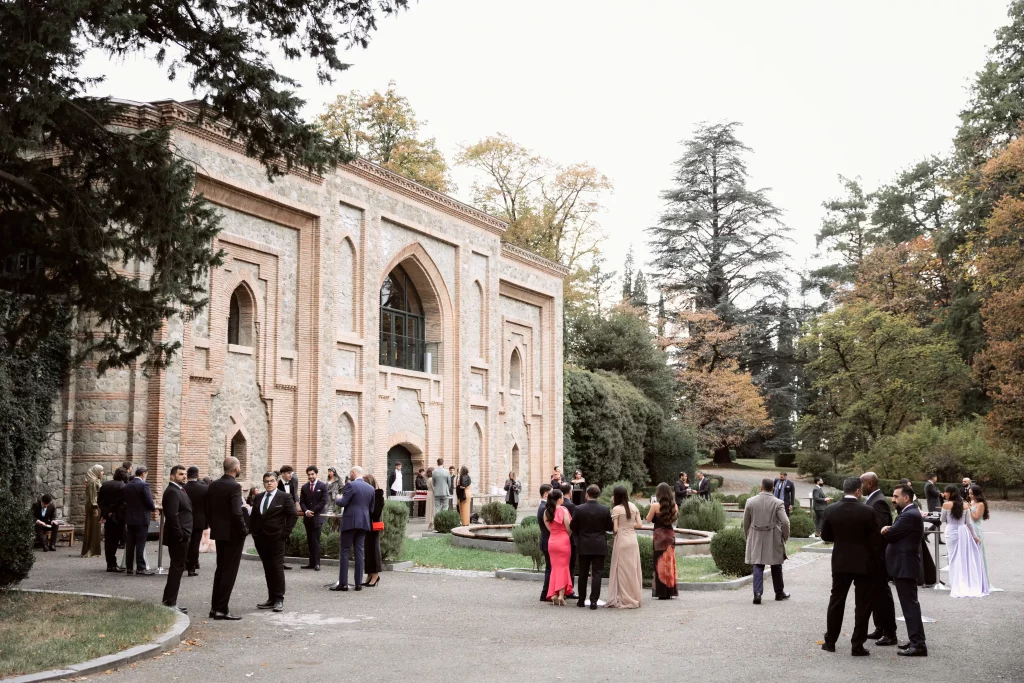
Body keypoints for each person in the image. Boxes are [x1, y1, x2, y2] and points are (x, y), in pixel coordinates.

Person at [819, 477, 881, 656]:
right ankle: (857, 644)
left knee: (836, 601)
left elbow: (825, 536)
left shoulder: (831, 509)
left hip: (840, 561)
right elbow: (875, 539)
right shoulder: (868, 511)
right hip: (864, 562)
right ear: (858, 491)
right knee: (862, 604)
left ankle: (830, 641)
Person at [880, 484, 927, 657]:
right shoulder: (908, 513)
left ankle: (918, 644)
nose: (893, 499)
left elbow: (892, 535)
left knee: (909, 606)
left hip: (905, 566)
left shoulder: (909, 515)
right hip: (903, 565)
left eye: (895, 496)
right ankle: (915, 639)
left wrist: (885, 530)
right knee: (909, 605)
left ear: (906, 497)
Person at [246, 470, 296, 612]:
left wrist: (284, 533)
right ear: (263, 483)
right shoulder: (259, 497)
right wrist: (254, 533)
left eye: (272, 481)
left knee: (277, 567)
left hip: (277, 539)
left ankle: (279, 599)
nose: (269, 483)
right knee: (268, 569)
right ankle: (271, 598)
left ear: (276, 481)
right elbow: (255, 516)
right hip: (261, 539)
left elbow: (293, 516)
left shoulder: (285, 497)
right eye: (266, 481)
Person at [206, 456, 248, 620]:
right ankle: (221, 609)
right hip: (233, 534)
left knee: (221, 569)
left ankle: (214, 607)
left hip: (219, 533)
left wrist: (214, 525)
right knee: (229, 572)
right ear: (236, 468)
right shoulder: (235, 486)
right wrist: (244, 529)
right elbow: (237, 512)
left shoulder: (213, 485)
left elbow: (207, 509)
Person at [860, 472, 897, 646]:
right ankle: (880, 627)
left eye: (862, 483)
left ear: (870, 484)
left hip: (878, 558)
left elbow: (880, 532)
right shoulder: (872, 499)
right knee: (875, 594)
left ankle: (890, 632)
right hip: (872, 557)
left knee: (882, 595)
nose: (860, 487)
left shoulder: (879, 501)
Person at [743, 477, 791, 605]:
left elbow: (746, 522)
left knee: (758, 564)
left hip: (756, 535)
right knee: (776, 564)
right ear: (773, 489)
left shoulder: (750, 501)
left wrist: (748, 536)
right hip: (773, 536)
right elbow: (785, 522)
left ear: (761, 487)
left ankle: (757, 594)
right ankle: (779, 593)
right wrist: (785, 536)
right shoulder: (778, 502)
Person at [330, 466, 375, 592]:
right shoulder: (370, 488)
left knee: (344, 551)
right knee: (359, 552)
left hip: (350, 522)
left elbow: (343, 502)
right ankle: (358, 584)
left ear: (354, 473)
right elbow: (371, 509)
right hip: (364, 523)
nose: (350, 475)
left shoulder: (351, 485)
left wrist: (337, 499)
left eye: (350, 473)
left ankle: (343, 583)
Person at [942, 485, 989, 598]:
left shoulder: (946, 505)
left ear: (951, 493)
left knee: (953, 558)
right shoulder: (965, 505)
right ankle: (964, 582)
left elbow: (942, 520)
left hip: (951, 532)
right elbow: (968, 523)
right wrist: (974, 536)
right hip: (963, 531)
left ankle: (955, 583)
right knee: (962, 558)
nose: (944, 494)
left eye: (946, 492)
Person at [570, 484, 612, 609]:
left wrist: (580, 534)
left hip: (584, 544)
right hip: (599, 544)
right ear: (598, 495)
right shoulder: (605, 509)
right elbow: (609, 527)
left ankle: (581, 600)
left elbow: (573, 526)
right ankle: (594, 601)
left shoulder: (579, 509)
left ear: (587, 494)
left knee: (582, 573)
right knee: (597, 573)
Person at [161, 465, 193, 615]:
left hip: (182, 535)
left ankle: (169, 600)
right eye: (181, 474)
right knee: (176, 568)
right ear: (172, 476)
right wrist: (180, 534)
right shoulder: (172, 492)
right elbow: (172, 516)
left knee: (178, 568)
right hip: (178, 537)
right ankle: (170, 602)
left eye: (185, 474)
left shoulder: (179, 490)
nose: (184, 476)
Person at [605, 485, 642, 609]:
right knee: (632, 569)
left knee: (621, 570)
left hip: (622, 540)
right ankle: (634, 596)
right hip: (633, 540)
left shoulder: (616, 509)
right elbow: (640, 524)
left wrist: (622, 528)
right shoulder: (633, 506)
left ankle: (623, 597)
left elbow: (615, 529)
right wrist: (630, 526)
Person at [646, 482, 679, 600]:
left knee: (658, 562)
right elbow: (673, 520)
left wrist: (651, 505)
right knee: (669, 562)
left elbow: (648, 519)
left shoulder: (655, 506)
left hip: (659, 536)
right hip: (670, 535)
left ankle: (661, 592)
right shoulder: (675, 506)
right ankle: (670, 590)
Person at [122, 466, 156, 575]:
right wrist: (153, 507)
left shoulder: (127, 486)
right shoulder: (143, 485)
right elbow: (149, 502)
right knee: (140, 544)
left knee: (130, 544)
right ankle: (141, 568)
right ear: (144, 474)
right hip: (142, 518)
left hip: (130, 518)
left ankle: (129, 568)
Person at [544, 489, 574, 605]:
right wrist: (566, 535)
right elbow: (568, 527)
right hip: (563, 541)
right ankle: (561, 595)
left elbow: (549, 528)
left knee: (554, 568)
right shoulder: (563, 510)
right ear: (558, 499)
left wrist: (555, 533)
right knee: (563, 567)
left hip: (552, 541)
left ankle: (554, 594)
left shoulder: (547, 512)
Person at [299, 465, 328, 571]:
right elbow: (302, 501)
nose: (310, 476)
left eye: (312, 474)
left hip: (317, 518)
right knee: (309, 540)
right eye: (309, 475)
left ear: (316, 474)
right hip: (307, 518)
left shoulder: (323, 486)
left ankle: (317, 563)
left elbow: (323, 501)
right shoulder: (304, 487)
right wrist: (306, 511)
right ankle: (311, 563)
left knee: (315, 540)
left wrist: (313, 511)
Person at [98, 470, 126, 570]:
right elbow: (120, 503)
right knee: (115, 541)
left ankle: (110, 563)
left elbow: (100, 501)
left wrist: (105, 513)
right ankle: (112, 564)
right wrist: (110, 511)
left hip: (107, 516)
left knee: (108, 540)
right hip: (118, 516)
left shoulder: (105, 485)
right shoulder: (122, 486)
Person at [183, 467, 208, 577]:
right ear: (198, 475)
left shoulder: (182, 488)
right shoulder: (204, 488)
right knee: (195, 543)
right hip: (199, 519)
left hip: (185, 519)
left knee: (185, 543)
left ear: (187, 476)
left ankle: (184, 563)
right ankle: (192, 567)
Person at [362, 473, 386, 587]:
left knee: (373, 550)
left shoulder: (378, 495)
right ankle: (369, 574)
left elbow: (376, 512)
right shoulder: (369, 494)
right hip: (367, 524)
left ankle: (375, 574)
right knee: (367, 550)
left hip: (373, 525)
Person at [968, 484, 993, 589]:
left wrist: (969, 509)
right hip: (969, 529)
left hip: (976, 529)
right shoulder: (972, 502)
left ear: (975, 494)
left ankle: (982, 579)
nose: (969, 495)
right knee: (971, 554)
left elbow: (975, 518)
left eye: (971, 493)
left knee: (978, 553)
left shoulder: (980, 504)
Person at [276, 465, 299, 570]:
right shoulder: (276, 484)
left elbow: (294, 498)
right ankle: (277, 562)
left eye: (292, 473)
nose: (291, 475)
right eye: (289, 473)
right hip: (279, 515)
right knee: (279, 538)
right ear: (283, 474)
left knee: (285, 538)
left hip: (288, 516)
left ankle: (281, 561)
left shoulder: (292, 484)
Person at [81, 464, 103, 557]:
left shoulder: (94, 480)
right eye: (101, 471)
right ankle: (91, 550)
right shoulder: (93, 481)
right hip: (94, 507)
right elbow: (93, 496)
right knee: (93, 528)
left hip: (93, 506)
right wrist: (95, 508)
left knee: (93, 528)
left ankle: (93, 550)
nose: (102, 473)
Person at [537, 483, 553, 601]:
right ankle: (545, 593)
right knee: (549, 568)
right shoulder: (544, 508)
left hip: (545, 541)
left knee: (550, 568)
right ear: (546, 494)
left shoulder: (542, 506)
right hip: (547, 541)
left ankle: (547, 592)